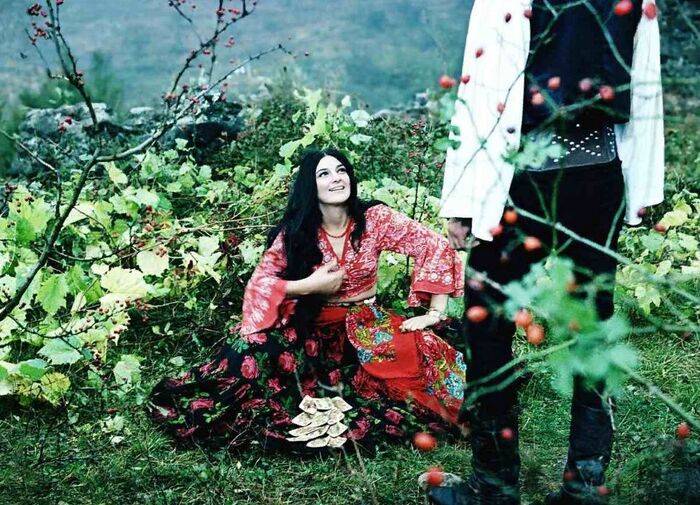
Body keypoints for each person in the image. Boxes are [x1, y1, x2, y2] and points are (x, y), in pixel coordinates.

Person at [432, 0, 663, 504]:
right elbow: (645, 79)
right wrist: (642, 189)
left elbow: (480, 84)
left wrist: (464, 201)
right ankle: (579, 486)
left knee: (491, 323)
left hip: (532, 182)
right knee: (584, 325)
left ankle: (500, 486)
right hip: (586, 178)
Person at [149, 148, 468, 451]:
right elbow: (261, 284)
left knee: (419, 358)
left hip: (366, 325)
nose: (336, 178)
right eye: (324, 174)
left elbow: (433, 244)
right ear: (310, 186)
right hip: (311, 324)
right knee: (249, 353)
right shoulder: (297, 230)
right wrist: (310, 285)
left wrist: (433, 312)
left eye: (341, 170)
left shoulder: (374, 219)